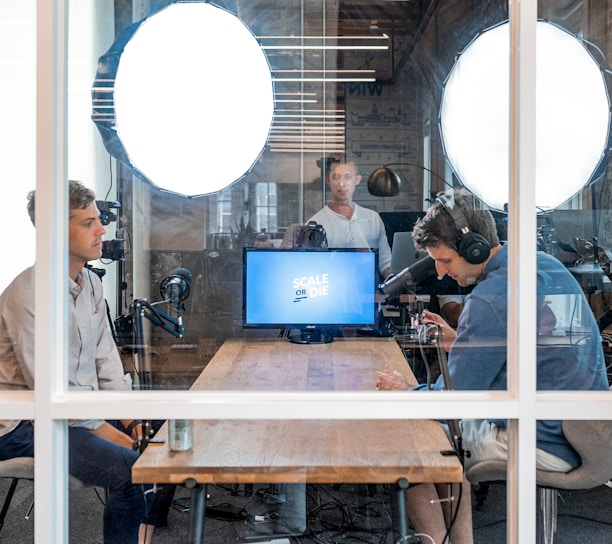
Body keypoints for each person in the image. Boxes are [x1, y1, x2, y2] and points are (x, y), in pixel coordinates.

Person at [377, 188, 608, 543]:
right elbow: (528, 346)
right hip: (586, 430)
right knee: (444, 441)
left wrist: (405, 391)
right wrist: (465, 339)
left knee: (419, 449)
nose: (439, 273)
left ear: (476, 248)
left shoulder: (489, 299)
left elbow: (454, 403)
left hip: (543, 439)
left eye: (446, 261)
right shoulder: (542, 265)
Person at [0, 180, 171, 544]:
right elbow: (54, 394)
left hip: (76, 408)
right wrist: (119, 436)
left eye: (98, 220)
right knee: (130, 471)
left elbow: (106, 361)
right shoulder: (28, 296)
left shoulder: (90, 283)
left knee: (164, 427)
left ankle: (144, 530)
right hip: (22, 424)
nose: (101, 230)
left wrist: (131, 420)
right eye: (87, 223)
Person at [308, 155, 392, 279]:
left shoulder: (373, 218)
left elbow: (385, 263)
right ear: (328, 180)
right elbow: (313, 269)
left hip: (369, 291)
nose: (342, 183)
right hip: (332, 291)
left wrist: (397, 287)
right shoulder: (315, 223)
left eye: (348, 177)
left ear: (357, 180)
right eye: (336, 177)